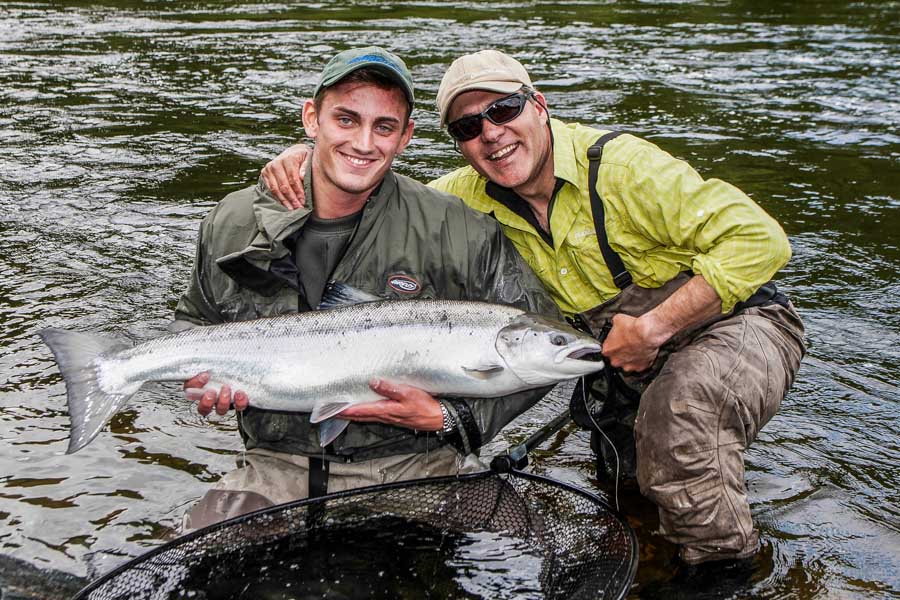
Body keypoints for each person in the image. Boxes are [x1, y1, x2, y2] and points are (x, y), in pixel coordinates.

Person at [261, 49, 806, 567]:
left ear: (538, 105)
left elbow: (762, 240)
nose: (491, 133)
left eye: (503, 109)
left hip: (740, 321)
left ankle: (727, 576)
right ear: (460, 146)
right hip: (608, 351)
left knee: (681, 424)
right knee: (631, 486)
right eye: (468, 127)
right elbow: (370, 192)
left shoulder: (623, 167)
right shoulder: (462, 199)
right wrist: (304, 163)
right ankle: (654, 562)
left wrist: (658, 324)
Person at [172, 47, 560, 530]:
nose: (363, 142)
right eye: (346, 119)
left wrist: (450, 417)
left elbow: (543, 346)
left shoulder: (459, 230)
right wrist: (201, 381)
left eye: (384, 127)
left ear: (405, 138)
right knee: (192, 557)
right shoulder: (234, 218)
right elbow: (195, 319)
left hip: (418, 469)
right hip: (275, 468)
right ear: (312, 119)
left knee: (529, 545)